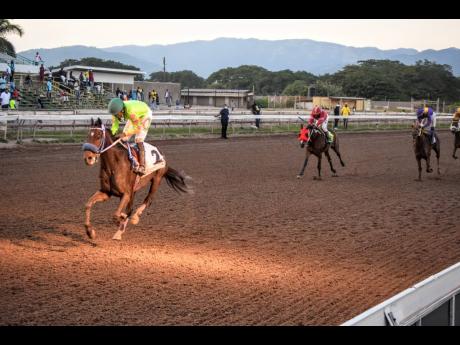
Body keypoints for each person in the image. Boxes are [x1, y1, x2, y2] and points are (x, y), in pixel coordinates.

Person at [108, 98, 153, 175]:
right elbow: (114, 126)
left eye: (116, 114)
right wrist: (111, 135)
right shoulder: (115, 112)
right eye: (114, 115)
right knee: (123, 139)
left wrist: (124, 134)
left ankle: (142, 166)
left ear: (121, 110)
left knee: (138, 139)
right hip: (134, 115)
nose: (115, 116)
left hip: (145, 115)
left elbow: (137, 128)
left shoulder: (131, 112)